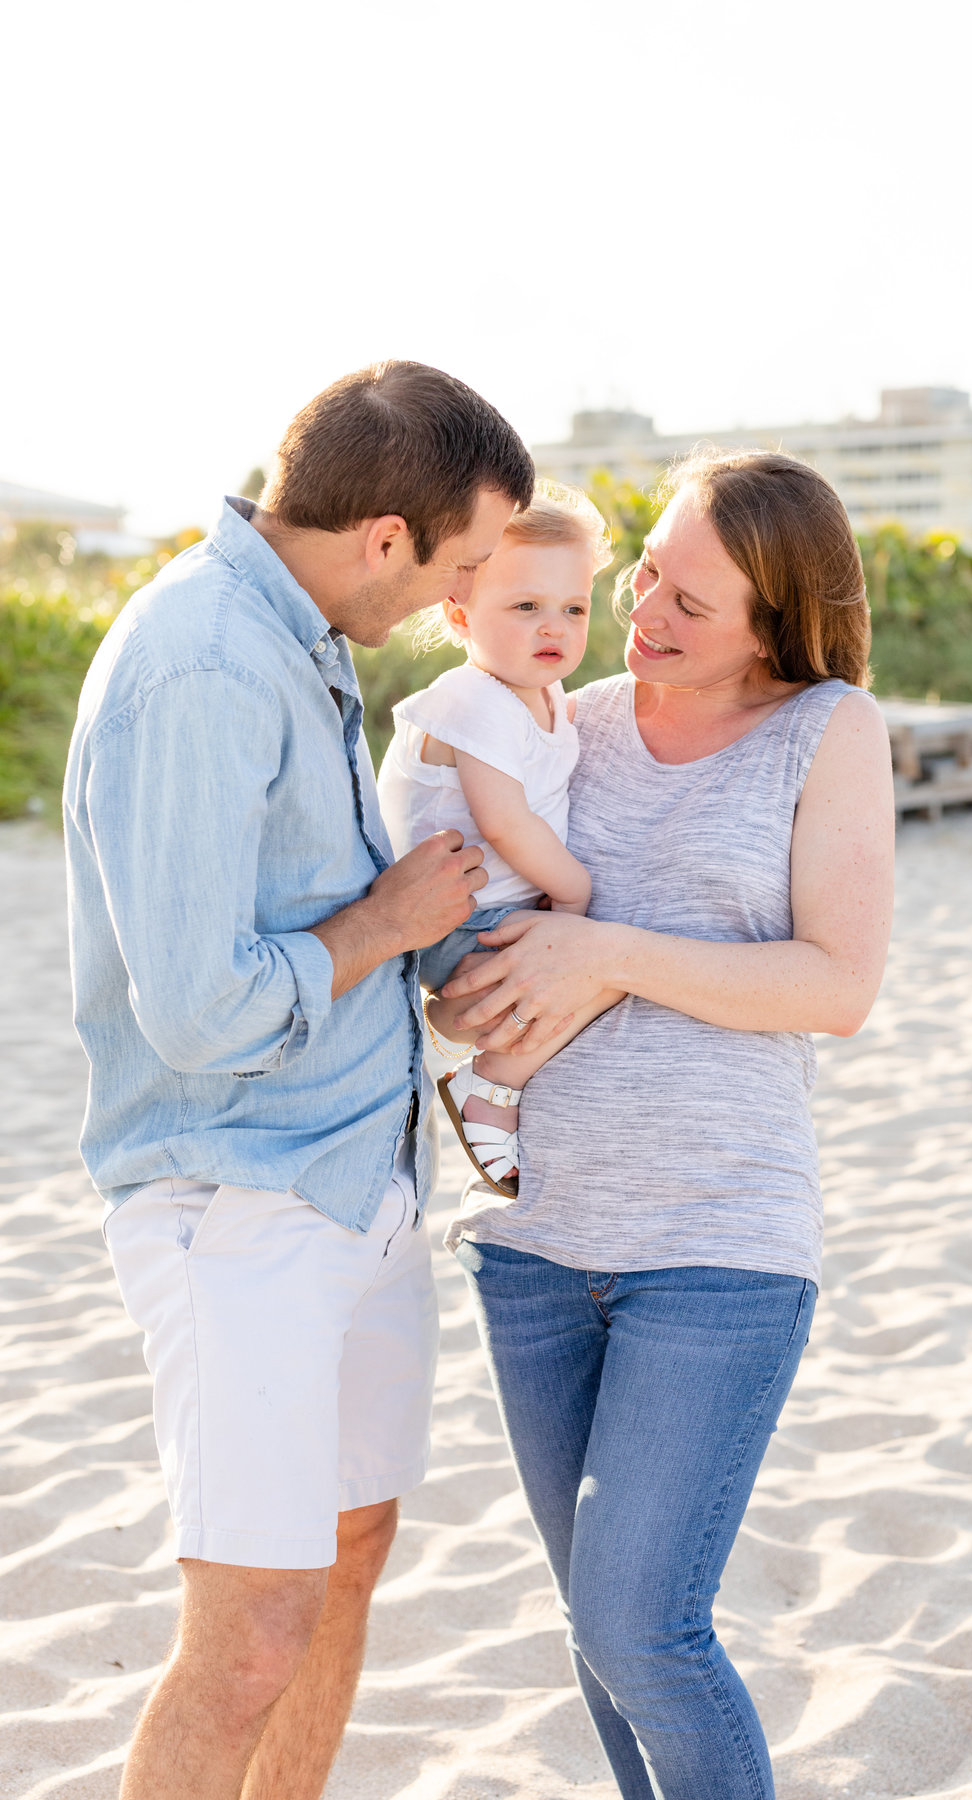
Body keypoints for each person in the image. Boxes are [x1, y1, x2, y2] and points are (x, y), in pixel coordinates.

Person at [62, 360, 533, 1800]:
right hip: (240, 1203)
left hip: (353, 1185)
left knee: (344, 1562)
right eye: (459, 563)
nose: (458, 599)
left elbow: (305, 909)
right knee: (254, 1627)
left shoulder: (300, 638)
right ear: (385, 536)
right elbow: (201, 1008)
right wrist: (385, 924)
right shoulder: (203, 658)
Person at [438, 451, 896, 1800]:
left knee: (645, 1623)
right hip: (533, 1249)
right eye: (648, 577)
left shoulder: (829, 729)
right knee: (598, 1638)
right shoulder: (553, 722)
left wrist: (612, 955)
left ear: (775, 620)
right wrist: (483, 994)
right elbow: (479, 966)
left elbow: (838, 984)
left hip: (718, 1252)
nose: (645, 616)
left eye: (694, 604)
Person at [377, 482, 613, 1196]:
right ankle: (486, 1076)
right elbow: (506, 819)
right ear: (459, 612)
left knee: (609, 968)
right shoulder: (473, 700)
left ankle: (461, 1034)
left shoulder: (542, 697)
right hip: (456, 919)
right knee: (597, 972)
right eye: (525, 607)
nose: (555, 629)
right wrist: (572, 892)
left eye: (572, 608)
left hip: (499, 909)